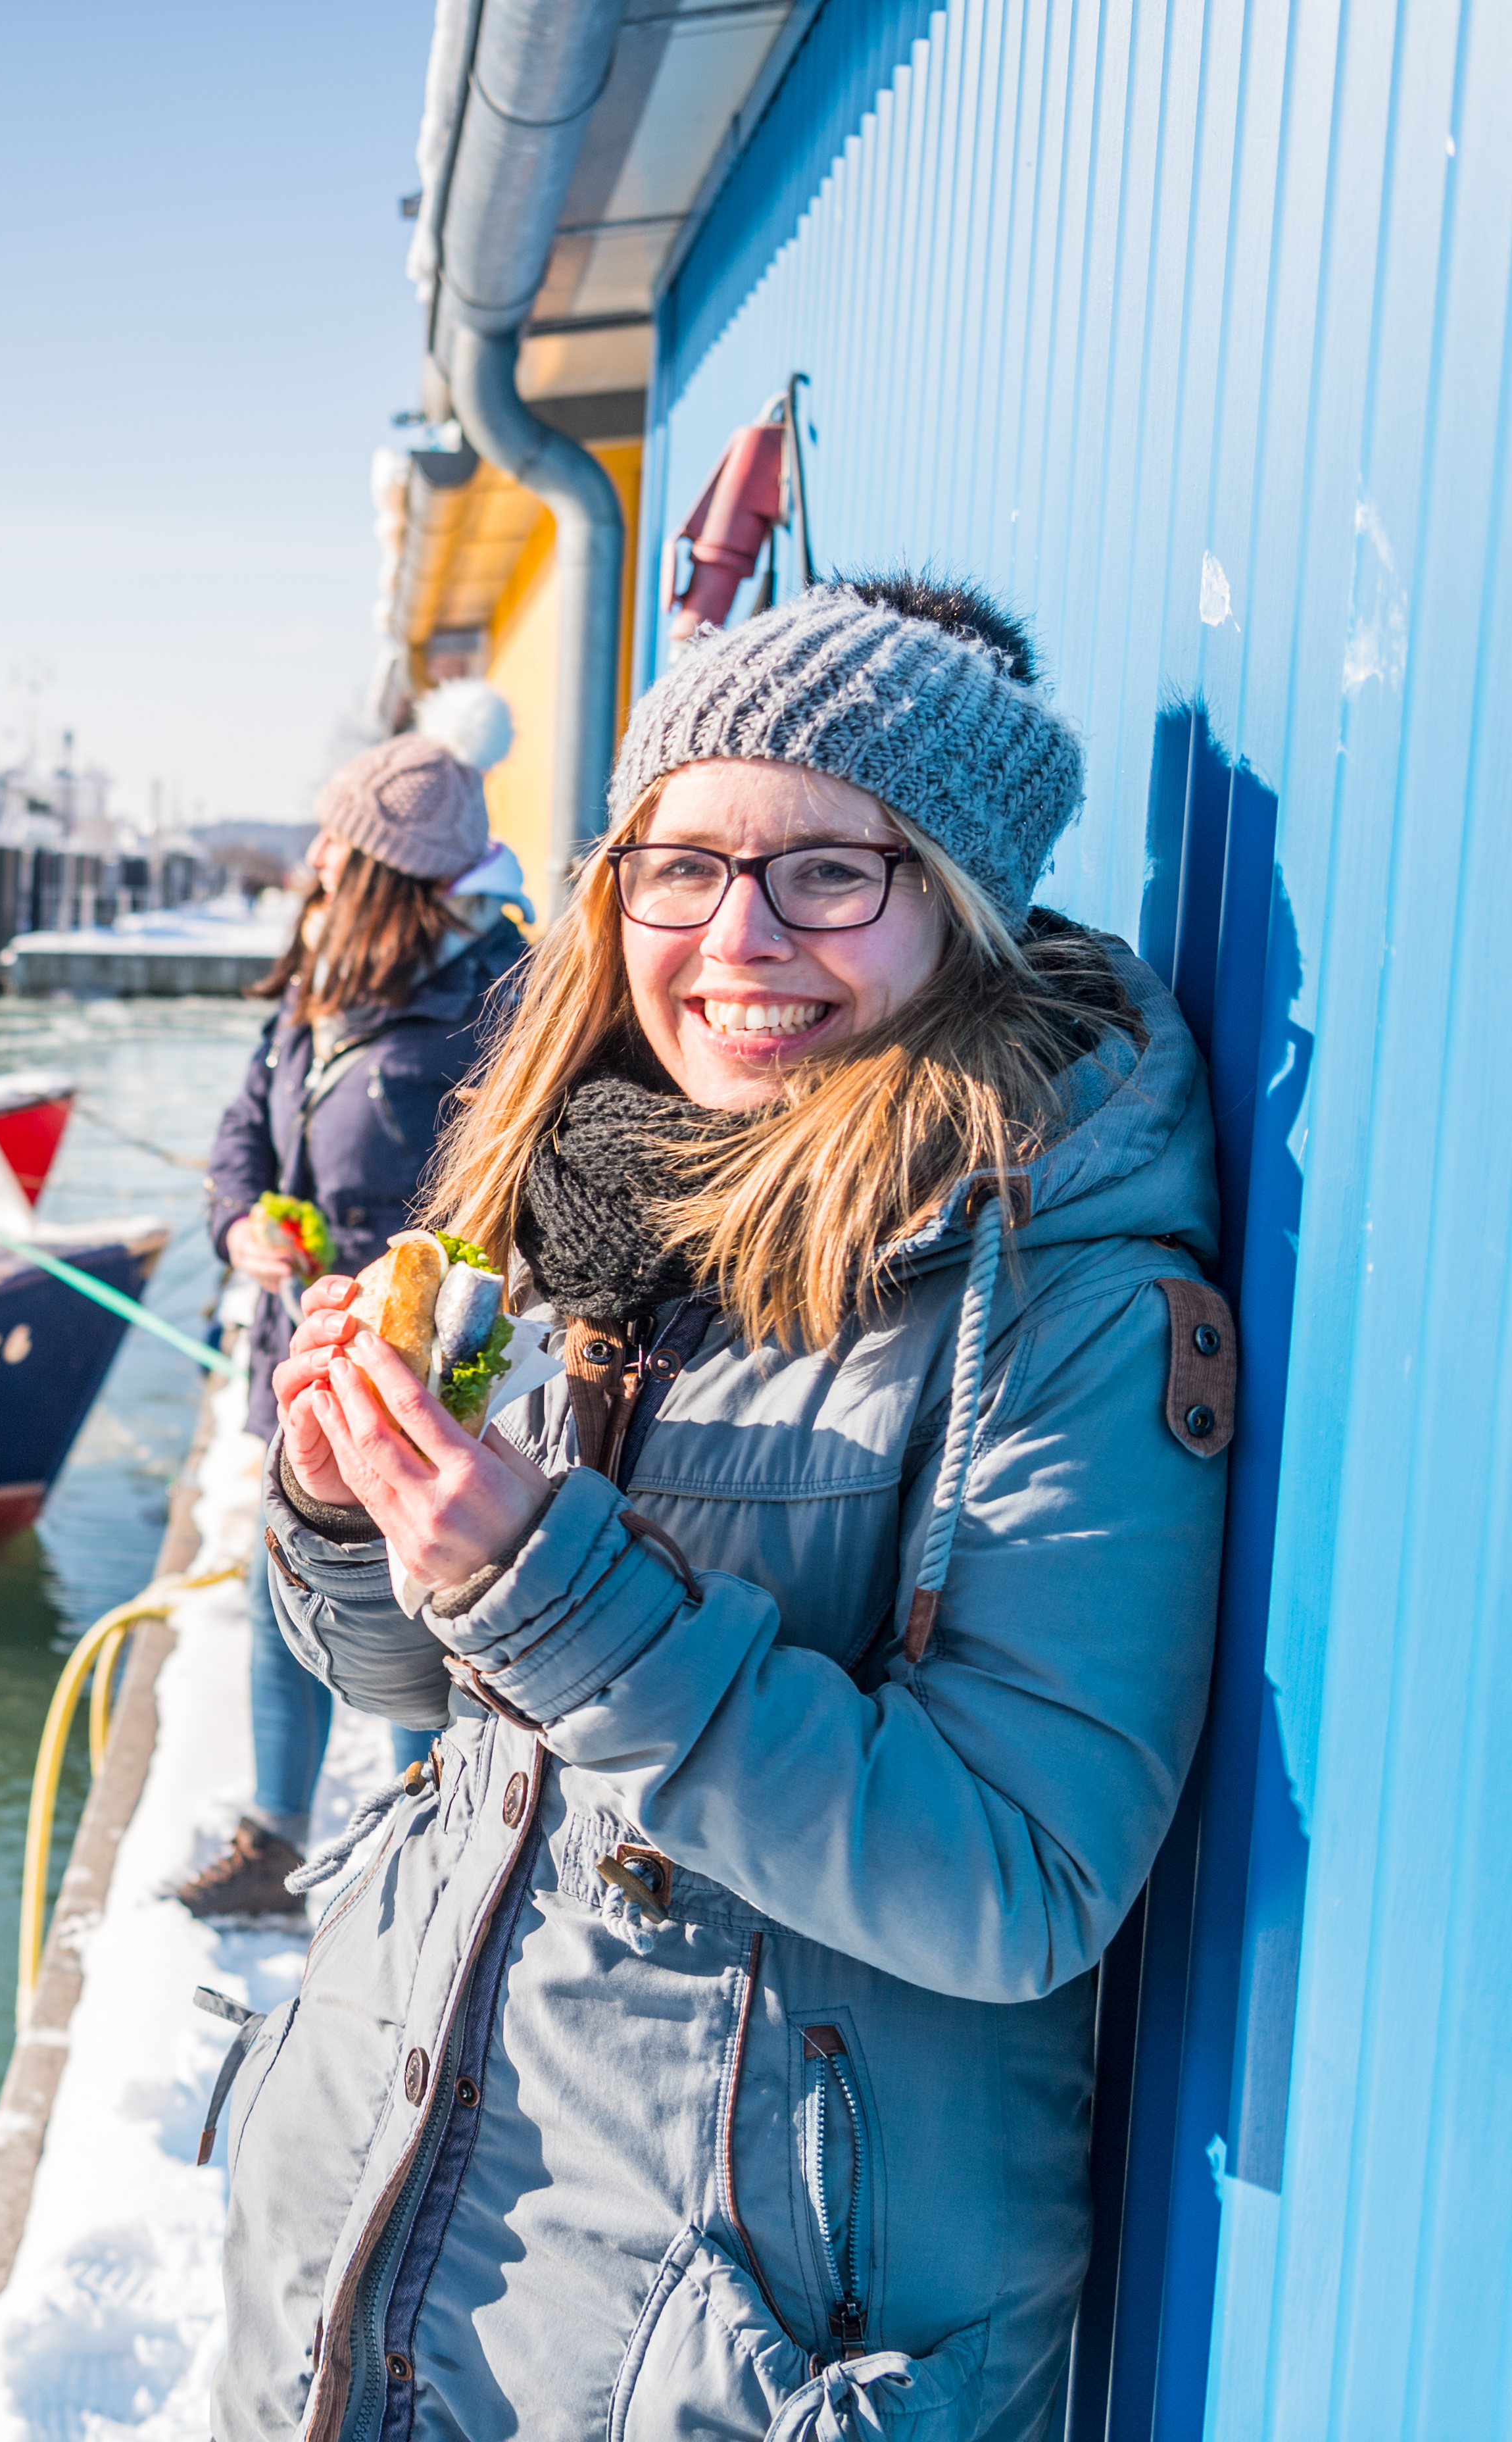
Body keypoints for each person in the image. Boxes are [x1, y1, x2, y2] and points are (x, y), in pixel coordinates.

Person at [212, 578, 1232, 2441]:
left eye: (829, 872)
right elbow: (420, 1699)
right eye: (680, 867)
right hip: (374, 2258)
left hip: (714, 2359)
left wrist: (543, 1585)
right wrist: (352, 1506)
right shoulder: (588, 1192)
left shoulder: (1065, 1290)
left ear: (958, 903)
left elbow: (1022, 1877)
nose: (738, 937)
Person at [174, 732, 521, 1924]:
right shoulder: (320, 991)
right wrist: (240, 1230)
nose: (311, 859)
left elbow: (516, 1198)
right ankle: (276, 1842)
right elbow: (240, 1138)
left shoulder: (498, 996)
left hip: (430, 1386)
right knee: (290, 1592)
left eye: (334, 840)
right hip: (299, 1356)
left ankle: (428, 1860)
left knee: (416, 1632)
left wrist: (405, 1294)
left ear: (379, 865)